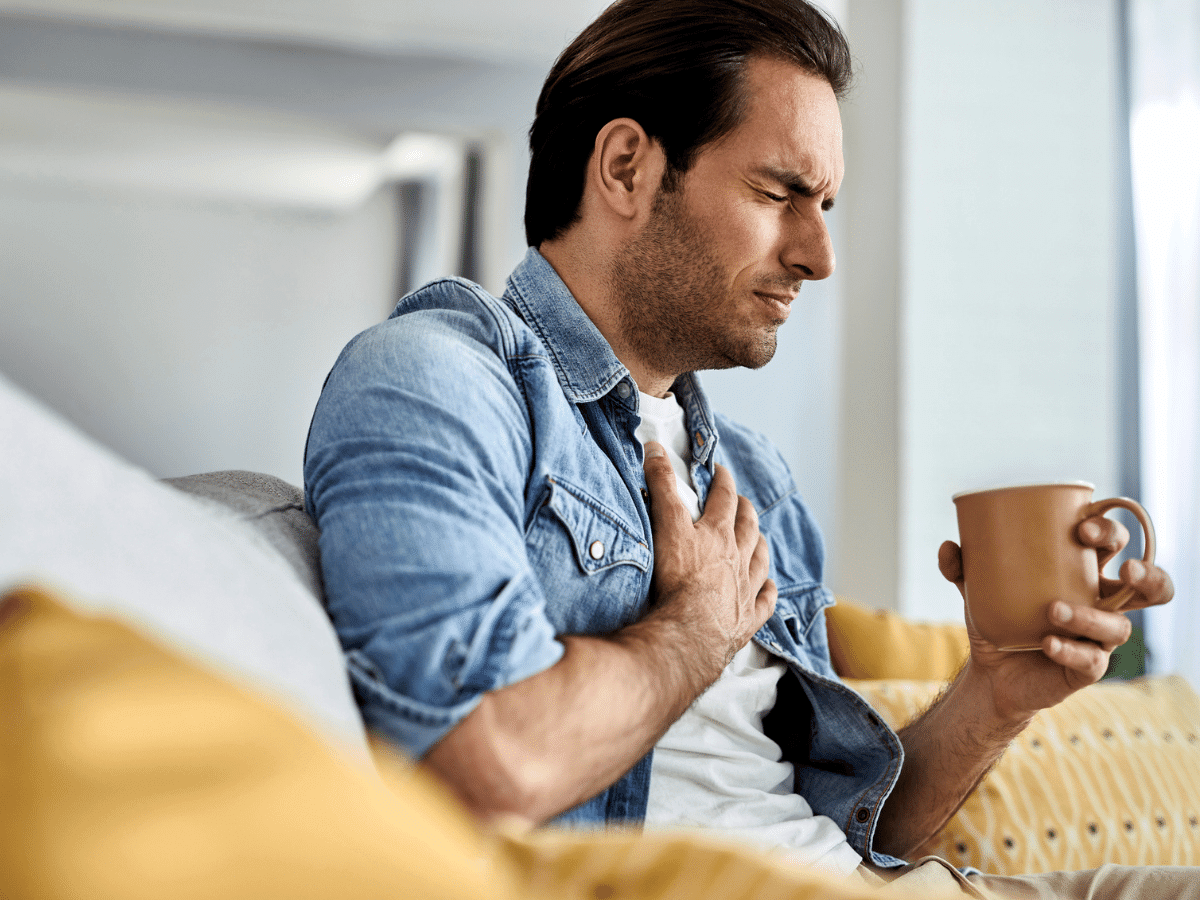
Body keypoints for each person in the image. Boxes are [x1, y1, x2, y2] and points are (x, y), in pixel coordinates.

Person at [303, 1, 1188, 895]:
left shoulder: (752, 476)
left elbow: (841, 828)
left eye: (827, 204)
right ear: (625, 168)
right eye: (778, 194)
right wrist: (692, 636)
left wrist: (996, 696)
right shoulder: (439, 380)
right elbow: (473, 766)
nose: (819, 254)